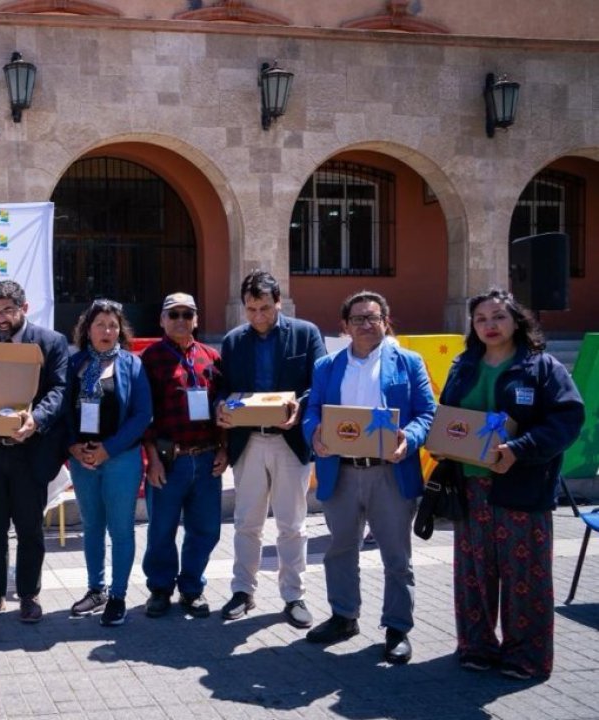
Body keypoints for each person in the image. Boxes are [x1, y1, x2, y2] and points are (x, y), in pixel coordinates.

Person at [438, 288, 583, 680]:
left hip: (522, 486)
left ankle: (526, 656)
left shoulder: (542, 367)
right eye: (481, 319)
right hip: (470, 488)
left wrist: (520, 449)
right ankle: (477, 646)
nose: (490, 325)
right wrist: (442, 441)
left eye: (498, 316)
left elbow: (567, 419)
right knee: (473, 573)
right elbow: (448, 414)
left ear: (517, 321)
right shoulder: (464, 366)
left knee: (525, 576)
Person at [302, 290, 435, 664]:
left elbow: (427, 413)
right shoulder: (327, 366)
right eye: (357, 318)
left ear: (386, 322)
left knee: (396, 556)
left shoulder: (408, 362)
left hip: (390, 472)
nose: (365, 324)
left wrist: (409, 439)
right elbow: (312, 410)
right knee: (340, 550)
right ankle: (344, 616)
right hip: (340, 471)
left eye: (373, 317)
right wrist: (314, 434)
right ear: (344, 326)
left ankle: (397, 628)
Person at [217, 270, 326, 628]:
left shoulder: (306, 333)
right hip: (248, 441)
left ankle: (294, 595)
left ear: (279, 302)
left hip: (289, 442)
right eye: (251, 310)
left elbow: (318, 384)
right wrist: (221, 406)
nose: (258, 317)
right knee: (246, 522)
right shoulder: (233, 341)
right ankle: (242, 590)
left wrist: (300, 406)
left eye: (264, 308)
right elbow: (222, 387)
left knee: (291, 524)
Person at [0, 280, 69, 623]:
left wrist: (36, 420)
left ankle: (28, 595)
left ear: (24, 308)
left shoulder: (50, 342)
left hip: (30, 452)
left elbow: (59, 390)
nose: (0, 318)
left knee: (30, 530)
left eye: (7, 311)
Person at [137, 292, 226, 621]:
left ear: (196, 320)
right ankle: (160, 588)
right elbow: (143, 414)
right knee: (162, 529)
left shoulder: (211, 357)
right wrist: (152, 459)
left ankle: (191, 588)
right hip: (169, 460)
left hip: (206, 459)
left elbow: (224, 409)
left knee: (206, 529)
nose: (180, 320)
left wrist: (225, 448)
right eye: (173, 314)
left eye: (187, 314)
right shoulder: (150, 359)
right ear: (162, 320)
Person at [65, 299, 152, 626]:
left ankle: (118, 595)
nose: (107, 331)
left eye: (113, 325)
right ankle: (95, 589)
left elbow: (142, 415)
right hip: (82, 459)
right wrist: (73, 447)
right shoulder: (75, 364)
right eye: (100, 324)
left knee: (121, 528)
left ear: (121, 331)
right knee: (91, 526)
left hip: (120, 458)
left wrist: (108, 449)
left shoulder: (132, 364)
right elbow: (62, 410)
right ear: (87, 329)